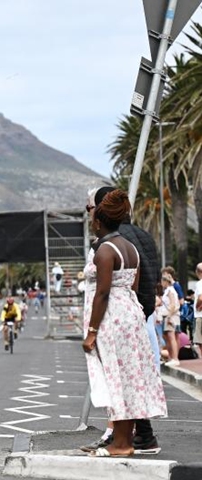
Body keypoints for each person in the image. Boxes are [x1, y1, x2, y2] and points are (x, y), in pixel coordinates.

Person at [81, 188, 166, 458]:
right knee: (128, 379)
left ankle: (121, 443)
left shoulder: (105, 250)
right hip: (130, 314)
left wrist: (92, 332)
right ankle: (124, 441)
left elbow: (102, 293)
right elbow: (136, 284)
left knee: (115, 380)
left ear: (98, 222)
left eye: (92, 218)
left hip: (111, 319)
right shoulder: (130, 247)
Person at [159, 273, 181, 366]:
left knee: (171, 336)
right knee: (167, 337)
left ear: (165, 281)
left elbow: (173, 304)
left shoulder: (170, 291)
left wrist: (169, 316)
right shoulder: (168, 290)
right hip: (168, 315)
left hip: (170, 316)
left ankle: (174, 358)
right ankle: (171, 357)